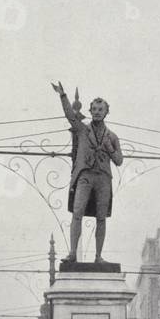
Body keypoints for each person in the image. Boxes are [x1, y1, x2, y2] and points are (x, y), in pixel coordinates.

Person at [52, 80, 123, 263]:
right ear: (90, 112)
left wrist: (109, 148)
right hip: (85, 176)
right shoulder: (82, 130)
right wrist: (62, 95)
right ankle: (73, 253)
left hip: (103, 178)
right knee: (77, 212)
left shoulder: (112, 136)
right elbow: (70, 115)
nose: (98, 112)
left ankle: (98, 257)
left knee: (101, 217)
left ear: (106, 112)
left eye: (101, 109)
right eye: (95, 109)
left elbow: (119, 161)